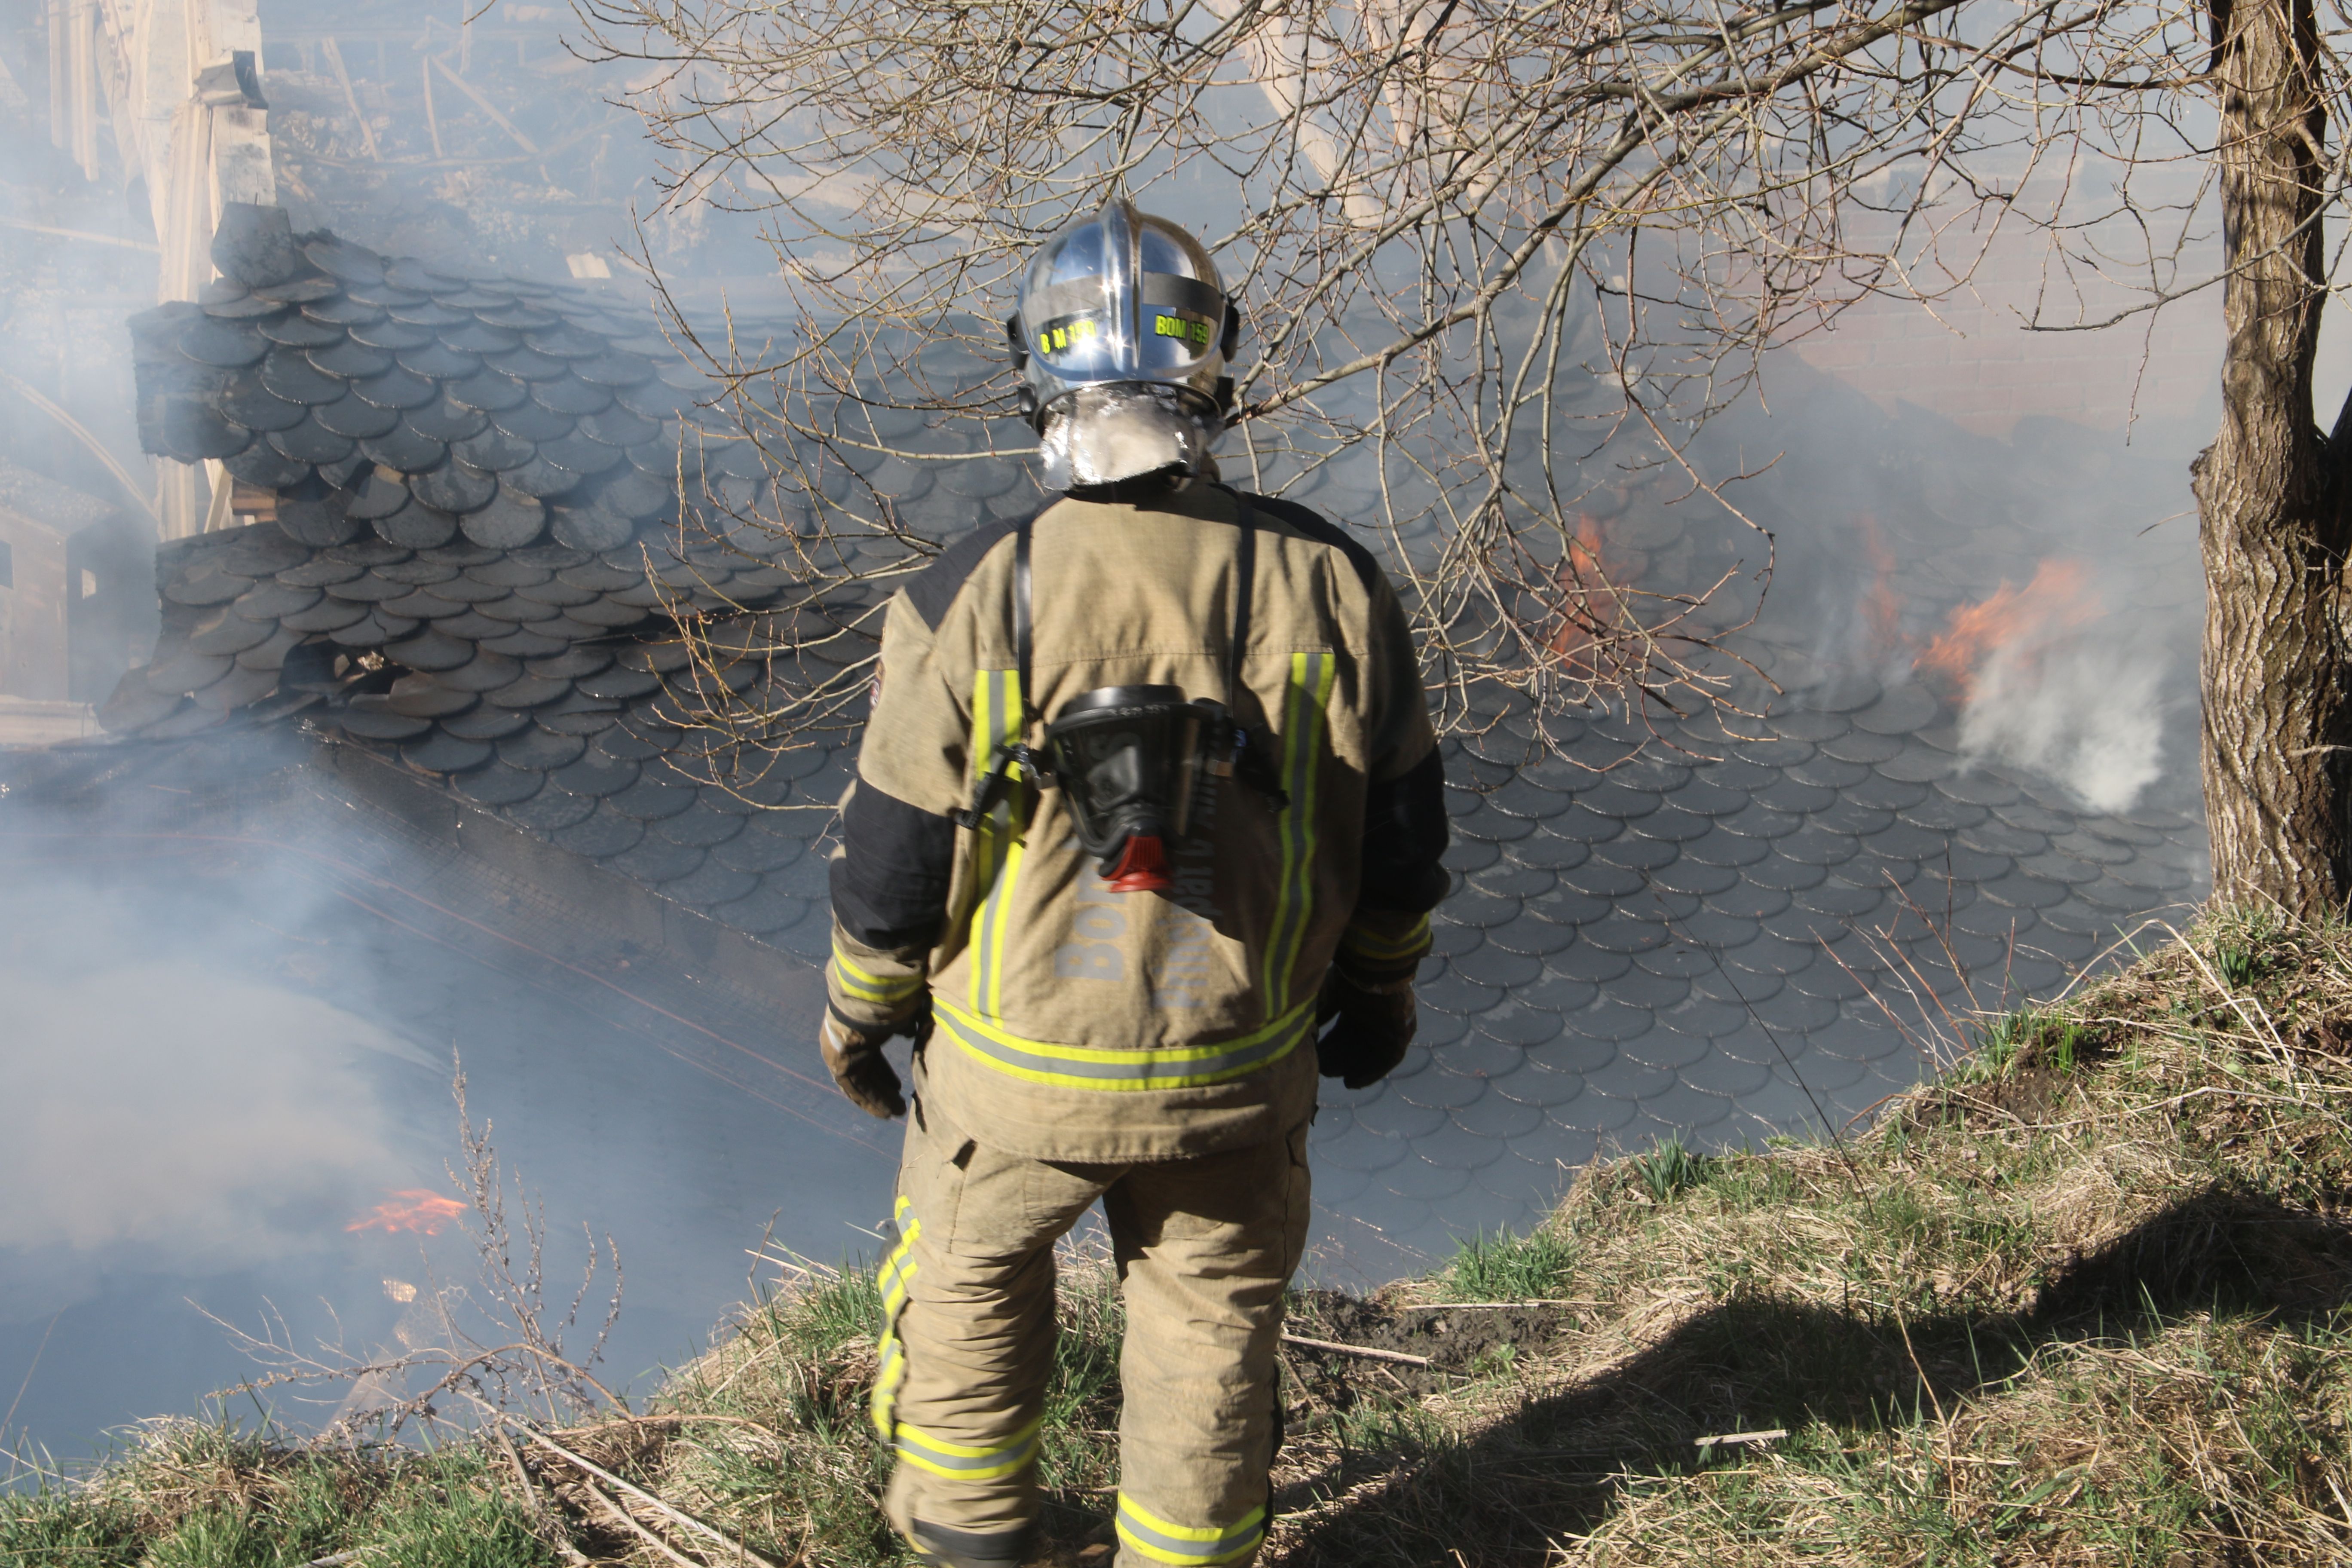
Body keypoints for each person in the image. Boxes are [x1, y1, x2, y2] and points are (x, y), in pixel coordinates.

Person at [818, 196, 1450, 1568]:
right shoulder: (1332, 580)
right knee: (1211, 1344)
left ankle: (974, 1545)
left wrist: (857, 1014)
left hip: (1009, 1084)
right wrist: (1381, 996)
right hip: (1236, 1074)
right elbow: (1403, 838)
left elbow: (894, 858)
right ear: (1217, 363)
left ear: (1035, 370)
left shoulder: (972, 592)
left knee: (969, 1303)